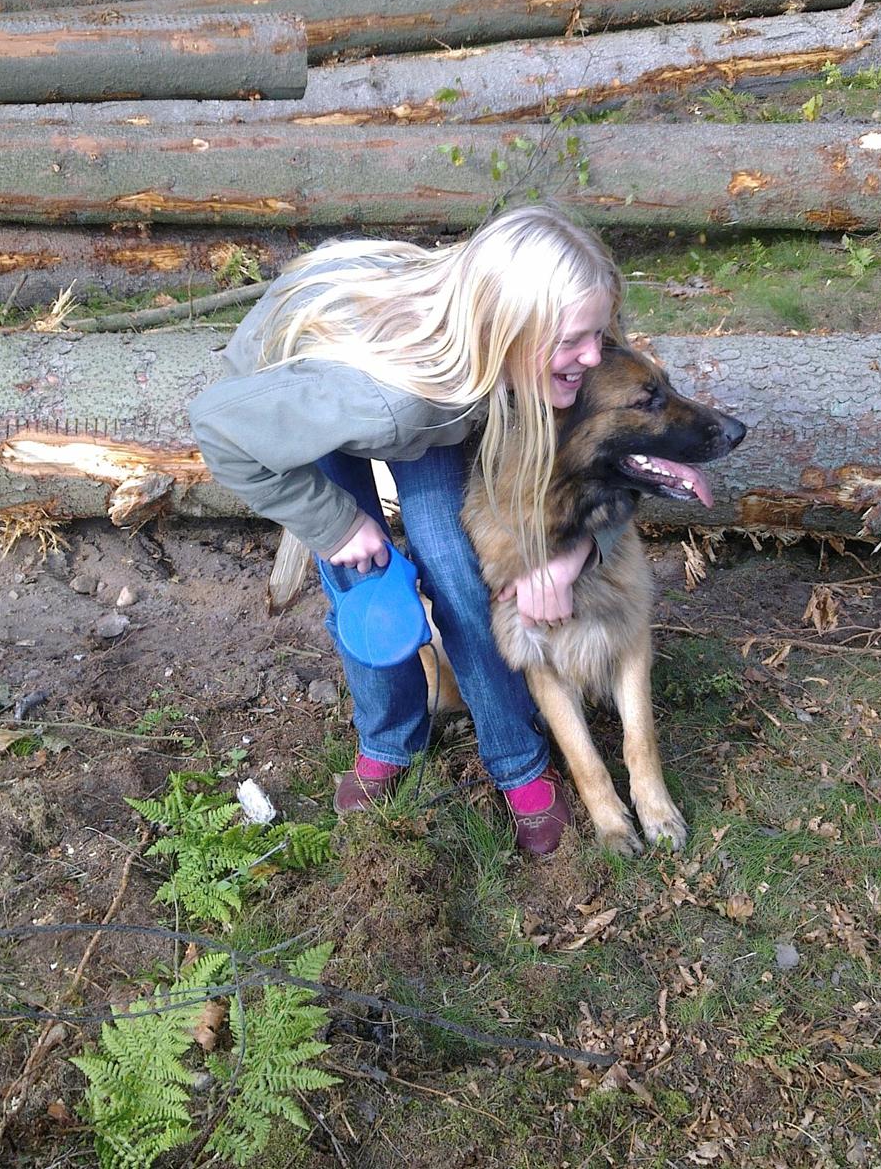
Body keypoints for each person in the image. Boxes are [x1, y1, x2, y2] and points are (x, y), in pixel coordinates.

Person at [188, 203, 624, 856]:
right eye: (572, 342)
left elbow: (620, 466)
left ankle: (517, 757)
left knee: (458, 566)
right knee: (364, 583)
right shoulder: (389, 403)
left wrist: (574, 555)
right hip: (305, 373)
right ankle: (389, 739)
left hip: (433, 380)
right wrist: (334, 524)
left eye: (600, 334)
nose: (593, 355)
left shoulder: (570, 353)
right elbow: (218, 425)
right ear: (508, 326)